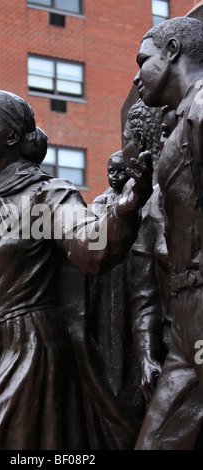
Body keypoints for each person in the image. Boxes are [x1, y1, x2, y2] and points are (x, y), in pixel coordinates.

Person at [0, 90, 153, 450]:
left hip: (28, 349)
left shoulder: (45, 195)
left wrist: (126, 207)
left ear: (12, 135)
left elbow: (91, 247)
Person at [133, 17, 203, 450]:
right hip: (186, 317)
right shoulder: (181, 124)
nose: (137, 73)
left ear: (172, 50)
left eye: (143, 60)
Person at [87, 150, 144, 440]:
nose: (115, 176)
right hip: (105, 278)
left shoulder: (140, 201)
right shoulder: (98, 202)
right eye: (111, 170)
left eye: (121, 171)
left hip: (131, 276)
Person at [123, 98, 167, 404]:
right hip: (178, 349)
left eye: (126, 141)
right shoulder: (146, 209)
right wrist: (147, 355)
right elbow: (144, 295)